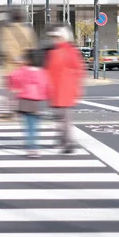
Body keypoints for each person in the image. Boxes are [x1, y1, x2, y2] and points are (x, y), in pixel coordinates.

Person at [44, 25, 85, 154]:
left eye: (57, 37)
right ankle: (62, 139)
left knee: (64, 117)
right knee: (60, 117)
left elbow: (78, 70)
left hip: (65, 90)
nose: (55, 40)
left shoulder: (69, 51)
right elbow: (49, 71)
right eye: (54, 37)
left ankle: (67, 142)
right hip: (57, 89)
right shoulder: (55, 51)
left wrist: (76, 88)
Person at [8, 49, 49, 158]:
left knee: (28, 126)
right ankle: (34, 147)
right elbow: (46, 86)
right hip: (37, 103)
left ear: (28, 60)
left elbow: (13, 77)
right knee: (35, 126)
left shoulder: (24, 70)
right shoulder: (42, 72)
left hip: (25, 101)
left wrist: (15, 88)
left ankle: (30, 147)